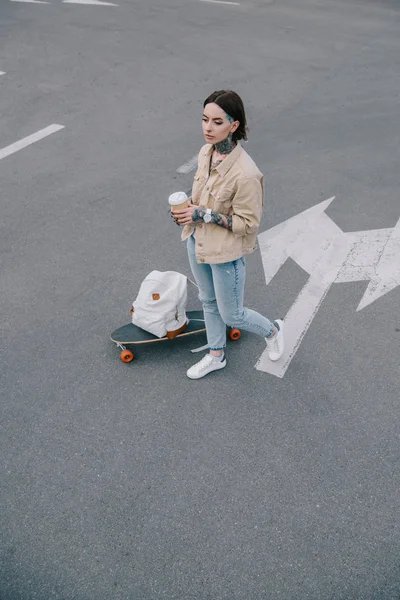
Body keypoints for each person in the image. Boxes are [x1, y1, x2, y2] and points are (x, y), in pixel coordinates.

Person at [172, 90, 284, 380]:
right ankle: (216, 355)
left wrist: (204, 214)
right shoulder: (205, 153)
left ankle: (273, 331)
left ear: (233, 125)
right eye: (205, 119)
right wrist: (186, 208)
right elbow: (201, 193)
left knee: (232, 314)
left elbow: (248, 224)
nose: (208, 128)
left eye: (217, 122)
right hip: (197, 241)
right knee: (208, 301)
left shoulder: (246, 174)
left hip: (225, 253)